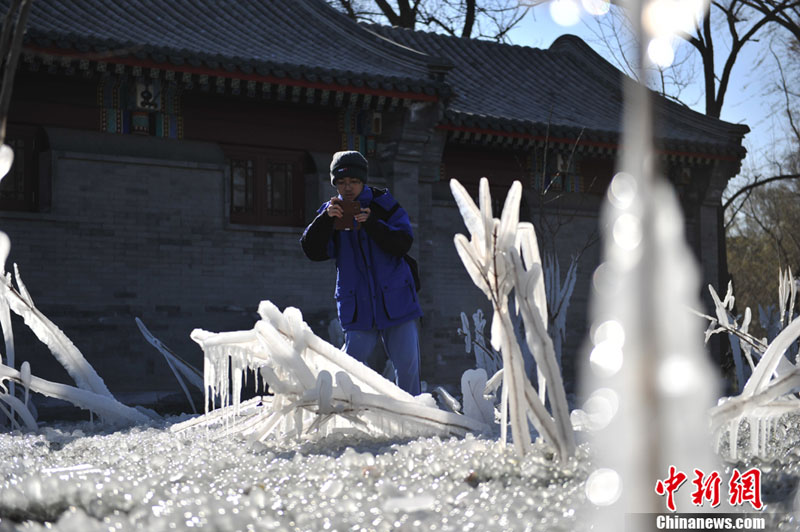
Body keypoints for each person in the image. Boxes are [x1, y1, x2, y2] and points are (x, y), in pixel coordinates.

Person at [300, 150, 422, 395]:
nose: (348, 188)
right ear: (335, 184)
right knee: (348, 368)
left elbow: (403, 243)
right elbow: (312, 251)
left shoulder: (383, 204)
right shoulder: (330, 211)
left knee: (408, 370)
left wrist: (373, 223)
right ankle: (346, 417)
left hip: (396, 301)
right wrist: (325, 221)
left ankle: (416, 422)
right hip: (357, 305)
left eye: (353, 182)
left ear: (363, 181)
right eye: (342, 183)